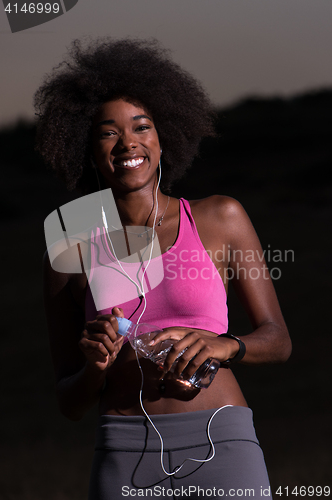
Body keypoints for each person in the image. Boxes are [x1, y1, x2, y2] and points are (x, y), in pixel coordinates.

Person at [35, 38, 292, 499]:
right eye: (107, 132)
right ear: (87, 148)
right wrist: (95, 368)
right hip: (124, 451)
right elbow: (69, 401)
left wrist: (221, 345)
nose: (128, 142)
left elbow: (278, 340)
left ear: (163, 135)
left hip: (224, 438)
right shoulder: (67, 242)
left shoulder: (219, 218)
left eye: (141, 126)